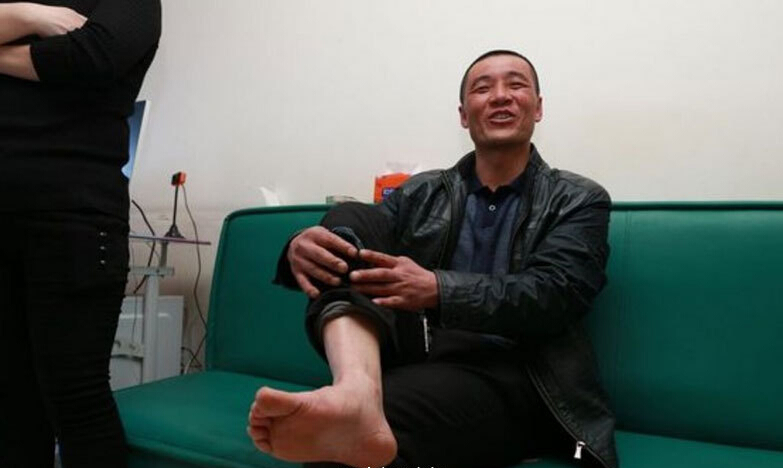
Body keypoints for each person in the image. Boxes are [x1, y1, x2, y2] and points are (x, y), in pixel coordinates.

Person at [250, 50, 618, 468]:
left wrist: (437, 289)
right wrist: (298, 244)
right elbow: (358, 246)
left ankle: (361, 407)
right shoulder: (420, 192)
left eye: (516, 85)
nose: (500, 95)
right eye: (483, 88)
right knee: (350, 216)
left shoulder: (578, 198)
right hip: (421, 359)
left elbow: (556, 295)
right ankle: (356, 388)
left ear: (538, 107)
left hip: (522, 379)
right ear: (463, 115)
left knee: (350, 435)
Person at [0, 2, 161, 467]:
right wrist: (30, 16)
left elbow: (93, 54)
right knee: (13, 399)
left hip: (74, 219)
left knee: (76, 397)